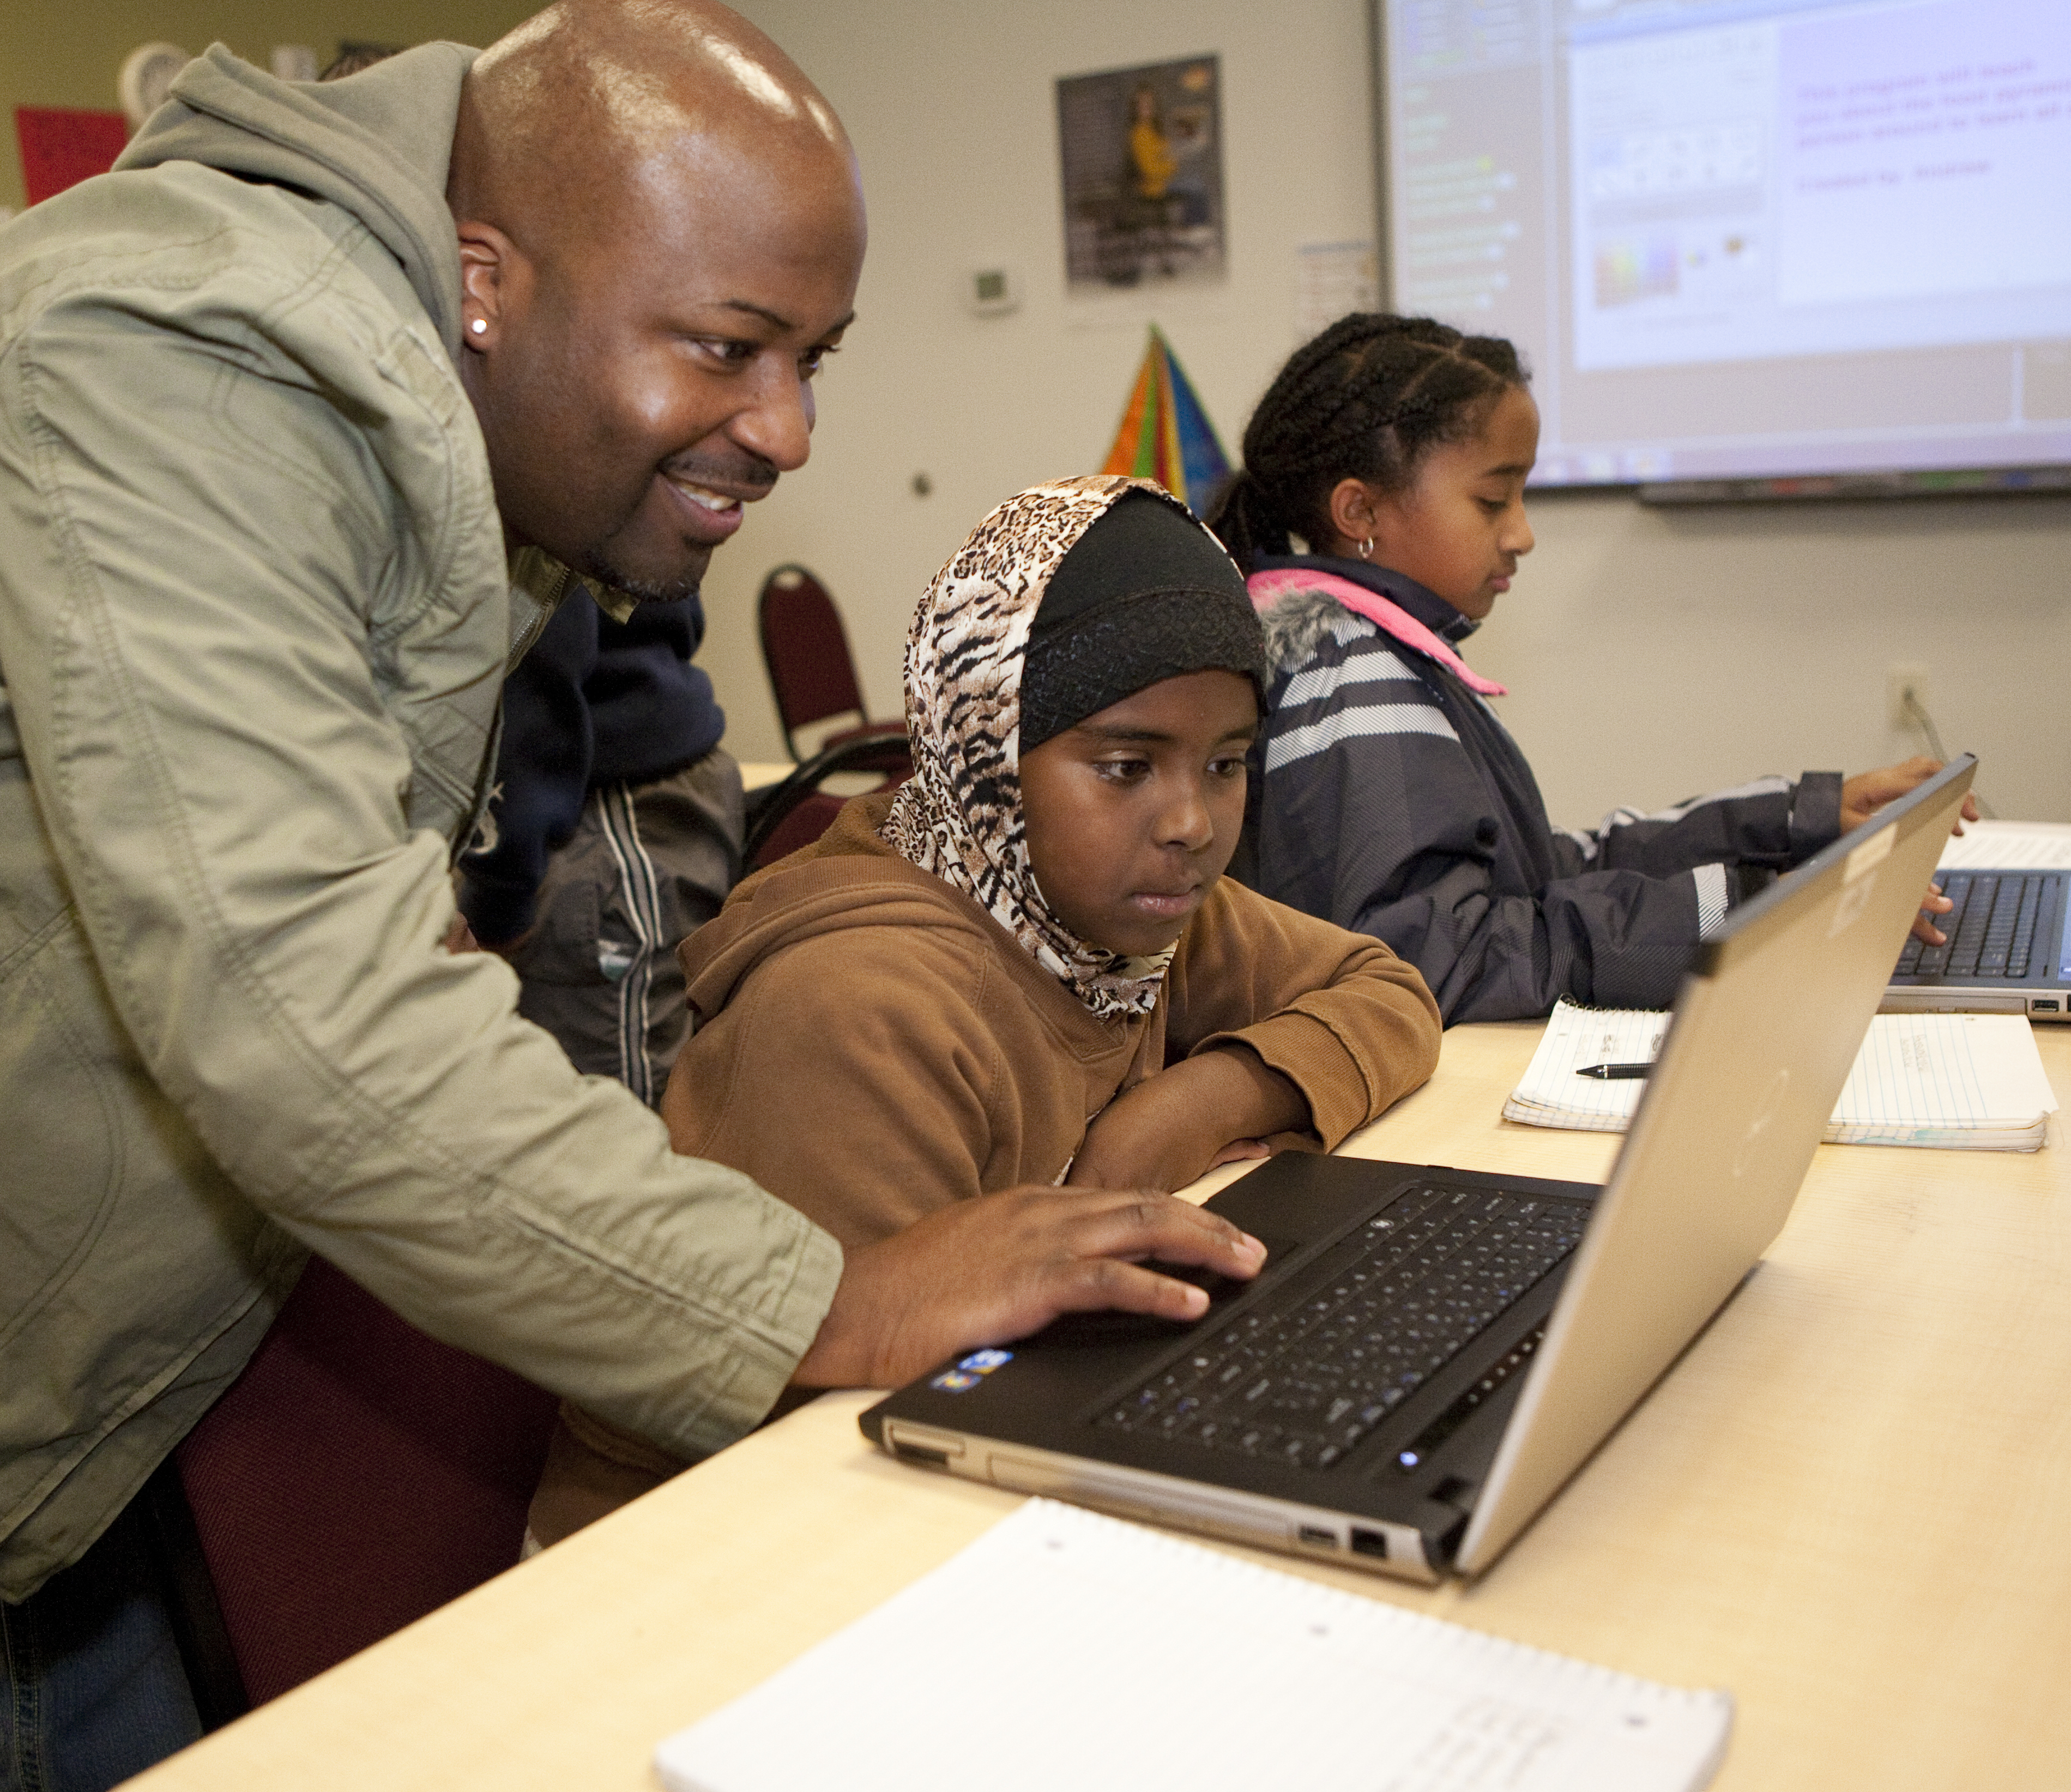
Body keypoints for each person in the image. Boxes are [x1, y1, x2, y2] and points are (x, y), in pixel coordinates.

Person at [0, 0, 1261, 1792]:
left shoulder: (451, 403)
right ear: (486, 273)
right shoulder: (182, 364)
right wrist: (821, 1298)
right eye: (732, 347)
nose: (790, 426)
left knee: (116, 1766)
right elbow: (301, 1011)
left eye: (814, 353)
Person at [530, 476, 1443, 1541]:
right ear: (985, 757)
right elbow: (828, 1447)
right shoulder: (864, 1009)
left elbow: (1386, 992)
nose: (1191, 820)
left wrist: (1184, 1109)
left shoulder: (1108, 908)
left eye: (1228, 762)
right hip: (682, 1561)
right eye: (1124, 766)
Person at [1211, 313, 1963, 1024]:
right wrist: (1754, 913)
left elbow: (1541, 870)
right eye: (1492, 498)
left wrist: (1798, 818)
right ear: (1360, 513)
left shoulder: (1374, 653)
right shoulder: (1350, 675)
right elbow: (1437, 957)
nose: (1522, 533)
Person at [456, 589, 740, 1105]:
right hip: (591, 790)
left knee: (619, 1132)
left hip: (594, 802)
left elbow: (537, 630)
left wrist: (500, 883)